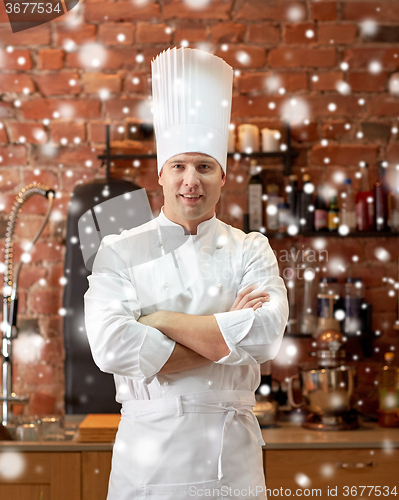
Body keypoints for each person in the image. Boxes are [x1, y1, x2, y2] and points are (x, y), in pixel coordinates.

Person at [84, 47, 289, 500]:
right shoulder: (119, 250)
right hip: (146, 472)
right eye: (178, 166)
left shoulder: (251, 248)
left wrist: (158, 322)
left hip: (230, 467)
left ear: (222, 176)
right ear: (161, 174)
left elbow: (266, 337)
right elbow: (111, 346)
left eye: (204, 166)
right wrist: (223, 336)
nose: (189, 181)